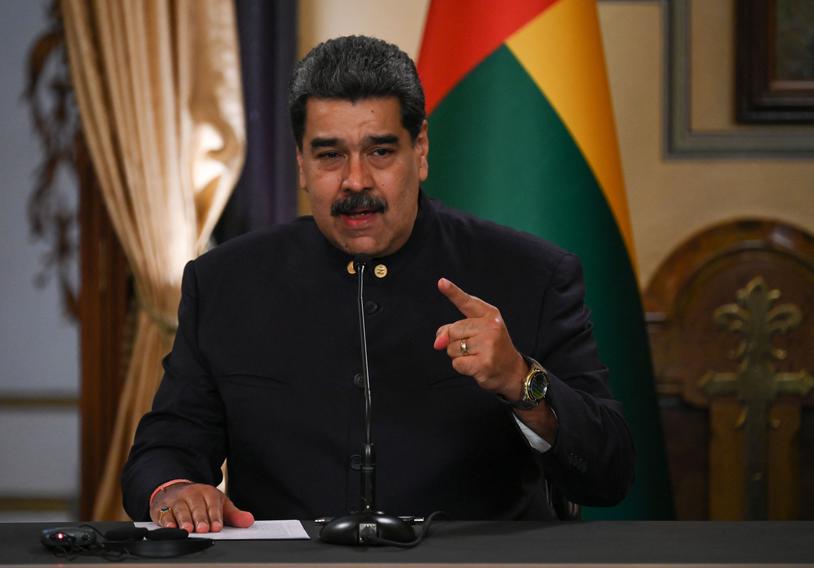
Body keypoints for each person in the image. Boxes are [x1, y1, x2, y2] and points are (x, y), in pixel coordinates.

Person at [122, 35, 634, 533]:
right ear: (301, 163)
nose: (356, 181)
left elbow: (610, 473)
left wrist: (521, 381)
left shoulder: (531, 275)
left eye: (381, 152)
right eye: (329, 155)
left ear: (422, 149)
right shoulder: (225, 282)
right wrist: (176, 489)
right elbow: (169, 443)